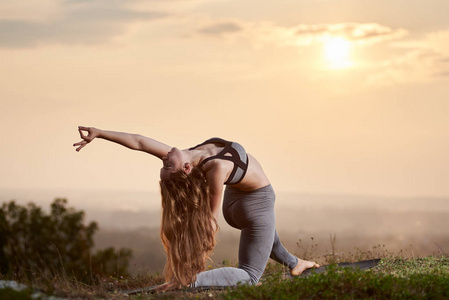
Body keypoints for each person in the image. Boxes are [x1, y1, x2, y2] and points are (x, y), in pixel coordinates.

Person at [73, 126, 319, 290]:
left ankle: (296, 263)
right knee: (251, 275)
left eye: (164, 164)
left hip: (240, 204)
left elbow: (139, 142)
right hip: (256, 204)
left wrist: (100, 133)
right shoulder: (216, 169)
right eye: (167, 165)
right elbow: (210, 224)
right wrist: (189, 276)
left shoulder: (186, 157)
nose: (165, 159)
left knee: (264, 236)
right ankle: (191, 282)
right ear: (186, 170)